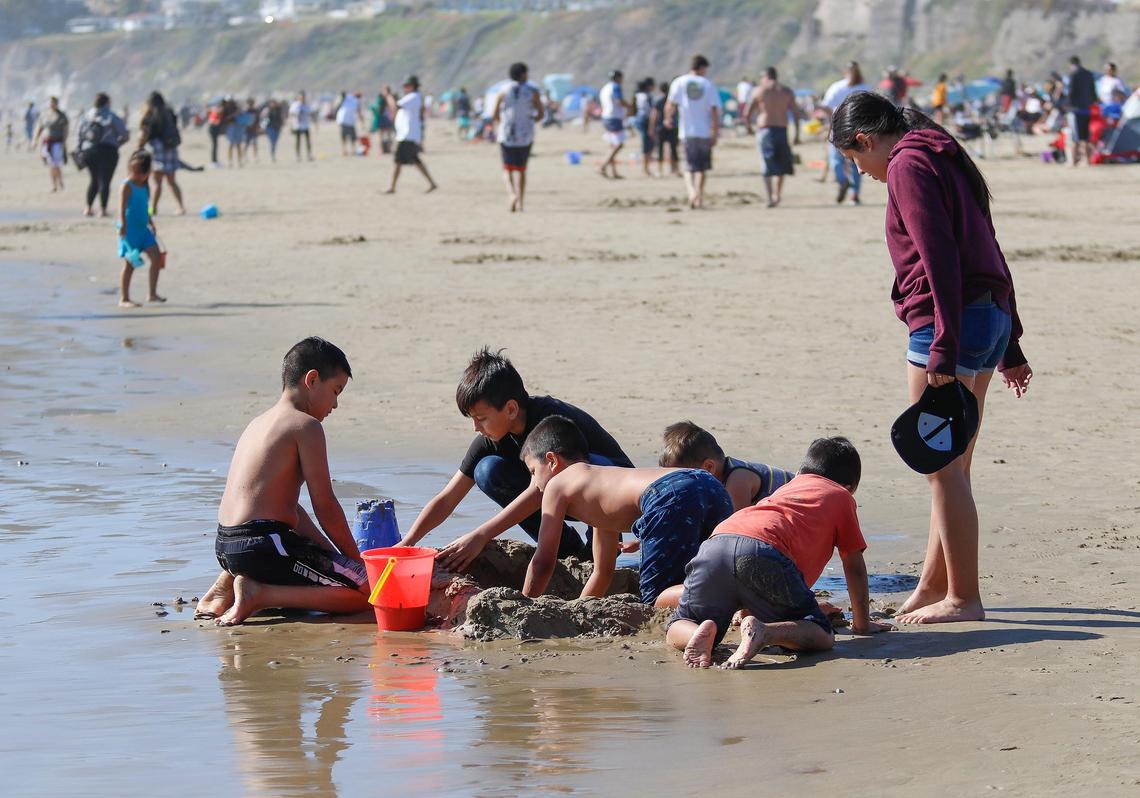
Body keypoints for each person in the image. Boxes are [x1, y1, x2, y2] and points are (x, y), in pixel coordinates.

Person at [830, 91, 1032, 624]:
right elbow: (988, 243)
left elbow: (940, 254)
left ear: (865, 141)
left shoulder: (908, 165)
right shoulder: (941, 153)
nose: (863, 173)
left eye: (855, 161)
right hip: (985, 317)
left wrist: (942, 343)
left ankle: (964, 599)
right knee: (954, 466)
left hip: (950, 324)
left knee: (941, 469)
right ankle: (933, 585)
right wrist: (1010, 341)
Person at [398, 348, 633, 569]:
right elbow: (448, 498)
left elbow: (539, 491)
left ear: (511, 409)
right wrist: (407, 543)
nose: (475, 428)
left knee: (576, 472)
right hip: (558, 495)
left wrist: (481, 535)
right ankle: (566, 549)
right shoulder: (493, 436)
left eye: (481, 418)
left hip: (614, 496)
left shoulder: (548, 422)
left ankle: (603, 550)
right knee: (486, 470)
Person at [667, 437, 892, 669]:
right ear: (850, 488)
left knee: (680, 622)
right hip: (762, 550)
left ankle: (695, 632)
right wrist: (862, 625)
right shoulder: (840, 495)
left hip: (716, 542)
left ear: (799, 472)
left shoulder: (784, 489)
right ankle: (764, 633)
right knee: (822, 634)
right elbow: (853, 565)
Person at [193, 337, 371, 627]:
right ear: (312, 379)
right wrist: (358, 563)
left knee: (306, 561)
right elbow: (325, 506)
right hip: (264, 546)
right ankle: (259, 594)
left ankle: (226, 585)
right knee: (366, 594)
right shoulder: (306, 426)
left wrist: (330, 554)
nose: (336, 404)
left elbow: (291, 510)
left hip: (226, 546)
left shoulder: (258, 423)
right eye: (336, 391)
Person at [520, 415, 733, 605]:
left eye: (532, 471)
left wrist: (525, 605)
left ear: (552, 461)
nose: (534, 483)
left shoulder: (557, 485)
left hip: (668, 492)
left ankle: (728, 594)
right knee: (707, 568)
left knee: (655, 597)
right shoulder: (601, 494)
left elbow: (543, 562)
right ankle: (739, 593)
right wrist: (580, 610)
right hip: (709, 484)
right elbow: (603, 572)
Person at [658, 421, 795, 511]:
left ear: (708, 467)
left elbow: (733, 525)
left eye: (681, 479)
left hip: (802, 504)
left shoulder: (737, 479)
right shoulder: (718, 479)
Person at [666, 54, 722, 209]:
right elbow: (714, 110)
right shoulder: (708, 84)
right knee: (702, 168)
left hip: (686, 131)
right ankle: (699, 195)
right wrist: (715, 131)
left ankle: (691, 192)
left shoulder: (679, 82)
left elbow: (670, 104)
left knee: (688, 166)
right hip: (703, 131)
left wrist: (668, 119)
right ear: (702, 68)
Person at [745, 66, 801, 208]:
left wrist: (748, 128)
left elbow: (747, 113)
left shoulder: (759, 90)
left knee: (767, 164)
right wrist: (797, 134)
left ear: (765, 76)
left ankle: (770, 197)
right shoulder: (786, 91)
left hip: (765, 129)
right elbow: (795, 114)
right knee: (781, 164)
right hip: (782, 129)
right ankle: (777, 195)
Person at [116, 150, 166, 308]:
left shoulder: (145, 187)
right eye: (132, 171)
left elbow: (145, 207)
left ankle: (152, 294)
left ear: (147, 173)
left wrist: (151, 221)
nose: (134, 175)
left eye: (138, 172)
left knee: (156, 257)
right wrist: (122, 225)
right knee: (130, 264)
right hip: (129, 230)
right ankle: (124, 298)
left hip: (143, 229)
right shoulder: (126, 186)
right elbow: (121, 208)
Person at [492, 62, 544, 212]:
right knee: (521, 170)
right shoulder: (532, 91)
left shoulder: (502, 90)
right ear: (523, 74)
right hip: (525, 135)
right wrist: (529, 120)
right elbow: (540, 114)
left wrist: (505, 124)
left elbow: (495, 114)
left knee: (507, 169)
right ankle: (521, 202)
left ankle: (511, 195)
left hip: (506, 134)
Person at [821, 61, 871, 205]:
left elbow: (825, 106)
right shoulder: (861, 87)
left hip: (846, 128)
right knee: (854, 161)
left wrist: (834, 117)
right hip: (853, 128)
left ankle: (848, 188)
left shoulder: (842, 87)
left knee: (837, 160)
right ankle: (850, 190)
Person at [76, 92, 129, 217]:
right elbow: (125, 135)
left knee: (93, 180)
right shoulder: (111, 116)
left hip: (89, 151)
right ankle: (103, 209)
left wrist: (80, 150)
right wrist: (116, 143)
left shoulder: (86, 116)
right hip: (108, 151)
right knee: (105, 180)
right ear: (107, 103)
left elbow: (79, 134)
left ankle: (88, 208)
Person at [384, 76, 437, 194]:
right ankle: (432, 183)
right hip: (408, 134)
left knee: (398, 162)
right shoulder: (414, 97)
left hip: (407, 135)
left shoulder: (413, 97)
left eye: (406, 86)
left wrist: (388, 96)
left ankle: (392, 187)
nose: (404, 88)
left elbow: (395, 107)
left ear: (412, 86)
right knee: (416, 161)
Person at [137, 91, 186, 216]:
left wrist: (140, 147)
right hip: (170, 148)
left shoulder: (150, 114)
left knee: (157, 182)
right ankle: (181, 207)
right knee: (172, 181)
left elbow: (145, 133)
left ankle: (153, 209)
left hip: (156, 149)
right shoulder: (169, 112)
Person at [598, 69, 632, 179]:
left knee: (612, 145)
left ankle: (614, 172)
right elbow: (619, 101)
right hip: (614, 118)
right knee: (619, 144)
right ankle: (602, 166)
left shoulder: (605, 88)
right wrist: (630, 106)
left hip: (606, 117)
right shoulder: (615, 87)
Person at [1066, 55, 1097, 167]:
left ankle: (1073, 161)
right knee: (1086, 136)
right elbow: (1093, 92)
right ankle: (1087, 160)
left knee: (1075, 137)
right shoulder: (1089, 74)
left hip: (1075, 110)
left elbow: (1070, 91)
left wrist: (1067, 105)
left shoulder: (1073, 75)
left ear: (1071, 64)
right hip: (1087, 109)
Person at [32, 96, 68, 192]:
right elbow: (39, 128)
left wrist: (64, 142)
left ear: (57, 103)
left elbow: (65, 129)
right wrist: (34, 140)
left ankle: (59, 182)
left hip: (57, 142)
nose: (52, 104)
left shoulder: (61, 115)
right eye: (50, 102)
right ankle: (54, 185)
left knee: (55, 164)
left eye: (53, 102)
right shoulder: (44, 115)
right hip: (47, 142)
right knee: (51, 164)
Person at [649, 80, 679, 177]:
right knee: (673, 149)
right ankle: (674, 169)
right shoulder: (672, 100)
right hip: (672, 127)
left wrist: (651, 127)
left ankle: (659, 170)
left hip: (660, 127)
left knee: (660, 149)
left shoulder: (658, 100)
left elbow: (654, 115)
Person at [633, 77, 655, 176]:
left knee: (646, 143)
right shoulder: (647, 96)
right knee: (647, 144)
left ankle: (645, 168)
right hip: (645, 120)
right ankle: (645, 168)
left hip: (638, 119)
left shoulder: (637, 95)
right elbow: (651, 111)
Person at [289, 91, 314, 162]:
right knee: (298, 141)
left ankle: (309, 155)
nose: (302, 98)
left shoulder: (306, 105)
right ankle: (298, 156)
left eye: (303, 97)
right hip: (297, 125)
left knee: (308, 141)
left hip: (306, 125)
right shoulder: (295, 105)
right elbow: (291, 114)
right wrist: (291, 124)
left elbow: (310, 113)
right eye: (301, 97)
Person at [336, 90, 362, 156]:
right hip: (345, 120)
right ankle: (346, 150)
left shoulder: (354, 100)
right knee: (346, 137)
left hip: (347, 120)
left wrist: (361, 120)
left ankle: (350, 150)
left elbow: (359, 111)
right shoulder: (349, 97)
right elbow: (359, 112)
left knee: (349, 137)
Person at [242, 97, 261, 162]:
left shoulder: (255, 111)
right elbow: (243, 121)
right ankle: (244, 156)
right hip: (247, 130)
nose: (251, 104)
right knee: (246, 144)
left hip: (254, 129)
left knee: (254, 143)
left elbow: (258, 120)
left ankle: (255, 156)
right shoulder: (245, 111)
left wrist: (258, 128)